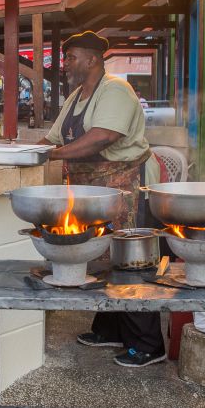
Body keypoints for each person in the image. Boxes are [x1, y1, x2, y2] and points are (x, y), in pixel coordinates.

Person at [37, 31, 164, 368]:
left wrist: (50, 155)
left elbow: (101, 138)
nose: (65, 65)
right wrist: (27, 150)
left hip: (125, 186)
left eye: (71, 57)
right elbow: (51, 138)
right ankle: (110, 326)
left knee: (129, 258)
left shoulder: (116, 90)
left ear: (92, 60)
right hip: (92, 190)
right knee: (103, 256)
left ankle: (148, 344)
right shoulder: (77, 96)